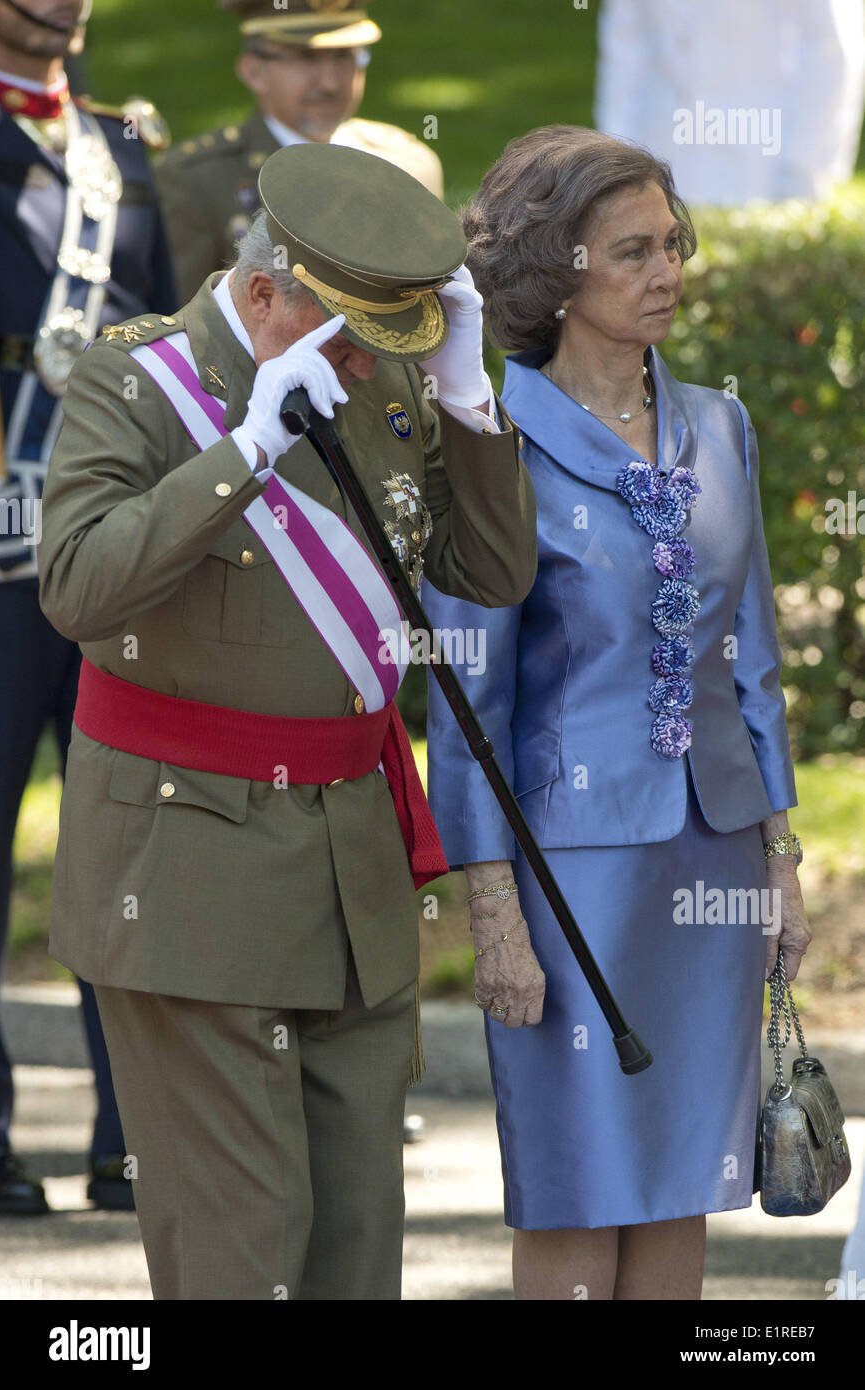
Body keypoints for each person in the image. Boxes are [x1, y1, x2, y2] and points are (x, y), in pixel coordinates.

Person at [36, 141, 536, 1299]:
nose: (368, 369)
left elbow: (493, 570)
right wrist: (246, 447)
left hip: (347, 869)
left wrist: (465, 393)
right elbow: (76, 587)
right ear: (263, 294)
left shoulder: (388, 381)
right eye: (353, 341)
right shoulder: (136, 381)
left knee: (356, 1248)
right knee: (242, 1253)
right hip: (186, 867)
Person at [424, 125, 812, 1300]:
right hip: (567, 874)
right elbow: (465, 706)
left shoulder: (720, 426)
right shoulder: (489, 451)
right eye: (631, 251)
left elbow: (751, 659)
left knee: (686, 1180)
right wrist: (491, 909)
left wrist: (780, 857)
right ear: (555, 274)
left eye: (672, 245)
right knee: (579, 1180)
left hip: (713, 851)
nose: (666, 273)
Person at [0, 0, 175, 1214]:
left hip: (111, 530)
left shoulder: (123, 143)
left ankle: (134, 1137)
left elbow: (162, 340)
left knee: (129, 842)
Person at [156, 0, 444, 304]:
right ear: (253, 71)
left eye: (344, 56)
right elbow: (186, 329)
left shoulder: (409, 165)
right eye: (307, 58)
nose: (330, 82)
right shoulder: (196, 181)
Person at [595, 0, 865, 205]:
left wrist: (804, 174)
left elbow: (831, 48)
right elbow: (626, 44)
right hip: (658, 157)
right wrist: (617, 167)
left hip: (762, 168)